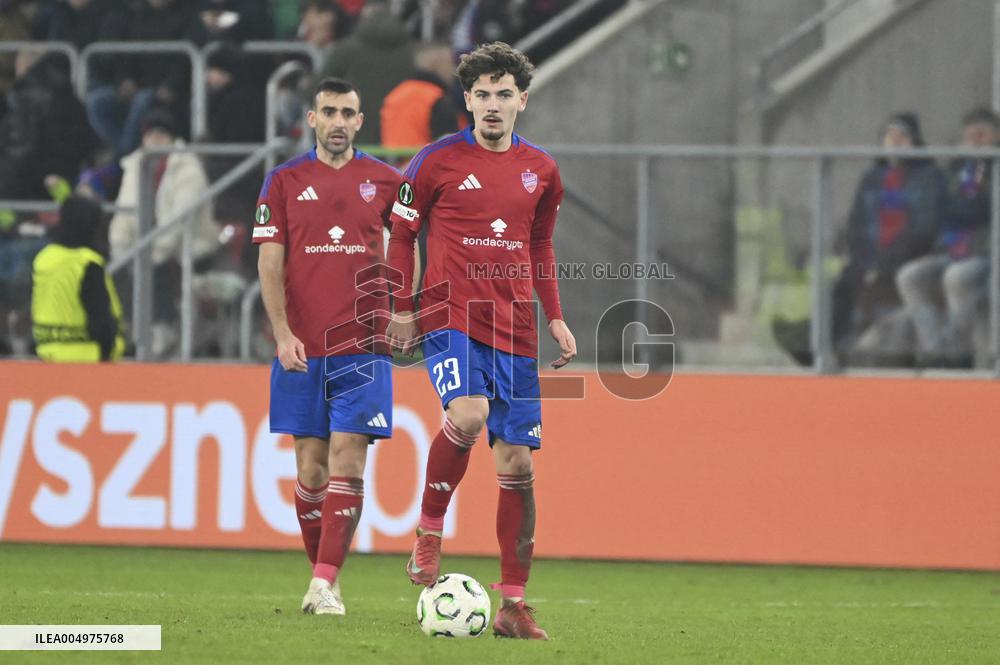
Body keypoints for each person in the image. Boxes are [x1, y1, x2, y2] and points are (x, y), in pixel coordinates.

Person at [386, 41, 576, 640]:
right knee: (467, 414)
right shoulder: (434, 161)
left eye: (504, 94)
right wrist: (401, 307)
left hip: (515, 327)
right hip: (450, 315)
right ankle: (429, 529)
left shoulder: (542, 170)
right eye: (482, 94)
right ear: (467, 100)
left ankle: (513, 605)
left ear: (523, 100)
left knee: (517, 463)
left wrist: (555, 317)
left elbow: (539, 245)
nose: (493, 105)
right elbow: (400, 235)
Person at [254, 77, 403, 616]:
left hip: (363, 344)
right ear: (312, 119)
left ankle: (323, 580)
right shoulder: (283, 181)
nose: (339, 122)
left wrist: (404, 310)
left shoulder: (387, 182)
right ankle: (324, 580)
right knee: (311, 469)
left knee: (349, 458)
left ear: (360, 122)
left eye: (348, 113)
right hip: (302, 346)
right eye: (330, 112)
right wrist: (281, 332)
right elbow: (269, 262)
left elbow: (408, 248)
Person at [831, 112, 946, 365]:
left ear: (915, 142)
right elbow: (856, 225)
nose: (895, 142)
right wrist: (864, 261)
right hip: (869, 261)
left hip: (908, 259)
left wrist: (883, 262)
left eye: (902, 137)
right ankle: (825, 349)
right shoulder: (872, 178)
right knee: (839, 288)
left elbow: (925, 229)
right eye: (889, 137)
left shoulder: (930, 177)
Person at [109, 109, 219, 357]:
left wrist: (152, 253)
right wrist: (121, 248)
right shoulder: (135, 165)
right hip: (146, 245)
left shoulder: (188, 168)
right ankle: (127, 329)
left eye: (161, 134)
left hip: (190, 245)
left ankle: (162, 328)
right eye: (151, 134)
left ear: (172, 138)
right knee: (122, 268)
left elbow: (178, 220)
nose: (155, 140)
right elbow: (124, 213)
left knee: (155, 267)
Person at [895, 107, 998, 367]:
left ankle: (956, 354)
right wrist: (961, 208)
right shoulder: (957, 168)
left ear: (996, 136)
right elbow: (940, 207)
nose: (975, 142)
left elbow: (982, 208)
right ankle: (936, 350)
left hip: (988, 253)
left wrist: (961, 207)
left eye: (981, 135)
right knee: (910, 276)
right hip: (954, 250)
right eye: (970, 136)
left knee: (956, 277)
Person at [31, 195, 125, 362]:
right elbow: (100, 318)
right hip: (87, 357)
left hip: (48, 353)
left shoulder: (44, 257)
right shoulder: (87, 263)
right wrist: (107, 351)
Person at [380, 42, 465, 152]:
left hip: (394, 162)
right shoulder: (436, 98)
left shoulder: (394, 96)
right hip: (427, 161)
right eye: (450, 63)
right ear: (436, 64)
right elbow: (450, 146)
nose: (454, 70)